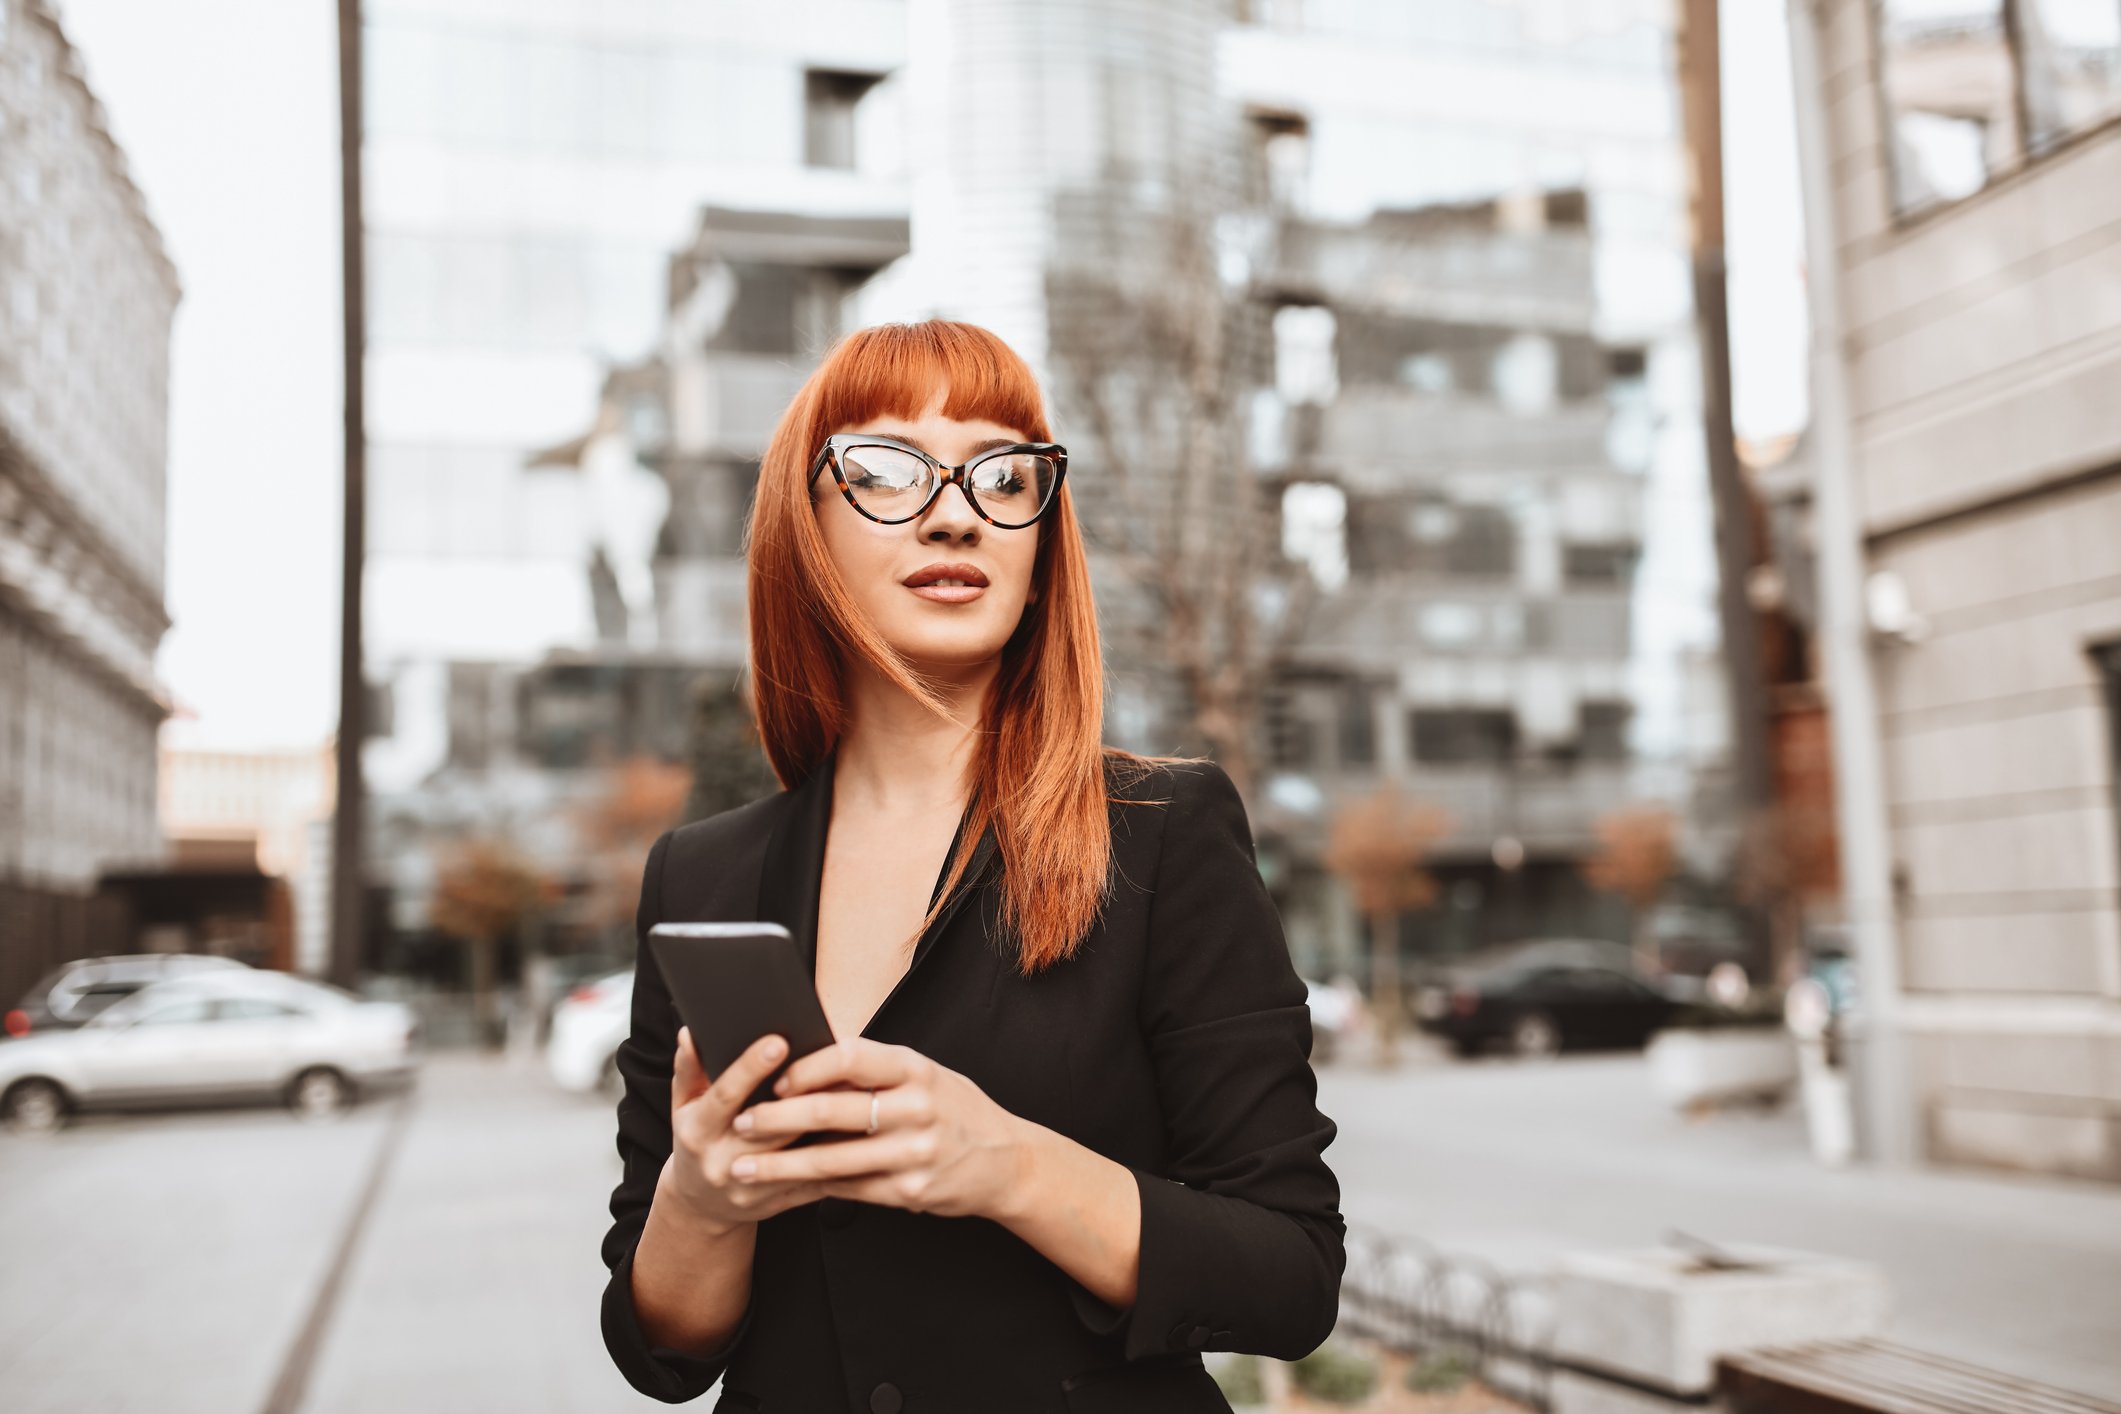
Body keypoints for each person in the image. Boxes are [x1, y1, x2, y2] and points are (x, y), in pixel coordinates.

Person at [599, 319, 1343, 1412]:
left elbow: (1291, 1274)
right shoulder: (701, 875)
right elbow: (661, 1345)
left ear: (1040, 548)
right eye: (889, 471)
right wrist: (706, 1197)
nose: (956, 510)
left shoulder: (1162, 831)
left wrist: (1007, 1165)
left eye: (1004, 475)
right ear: (802, 533)